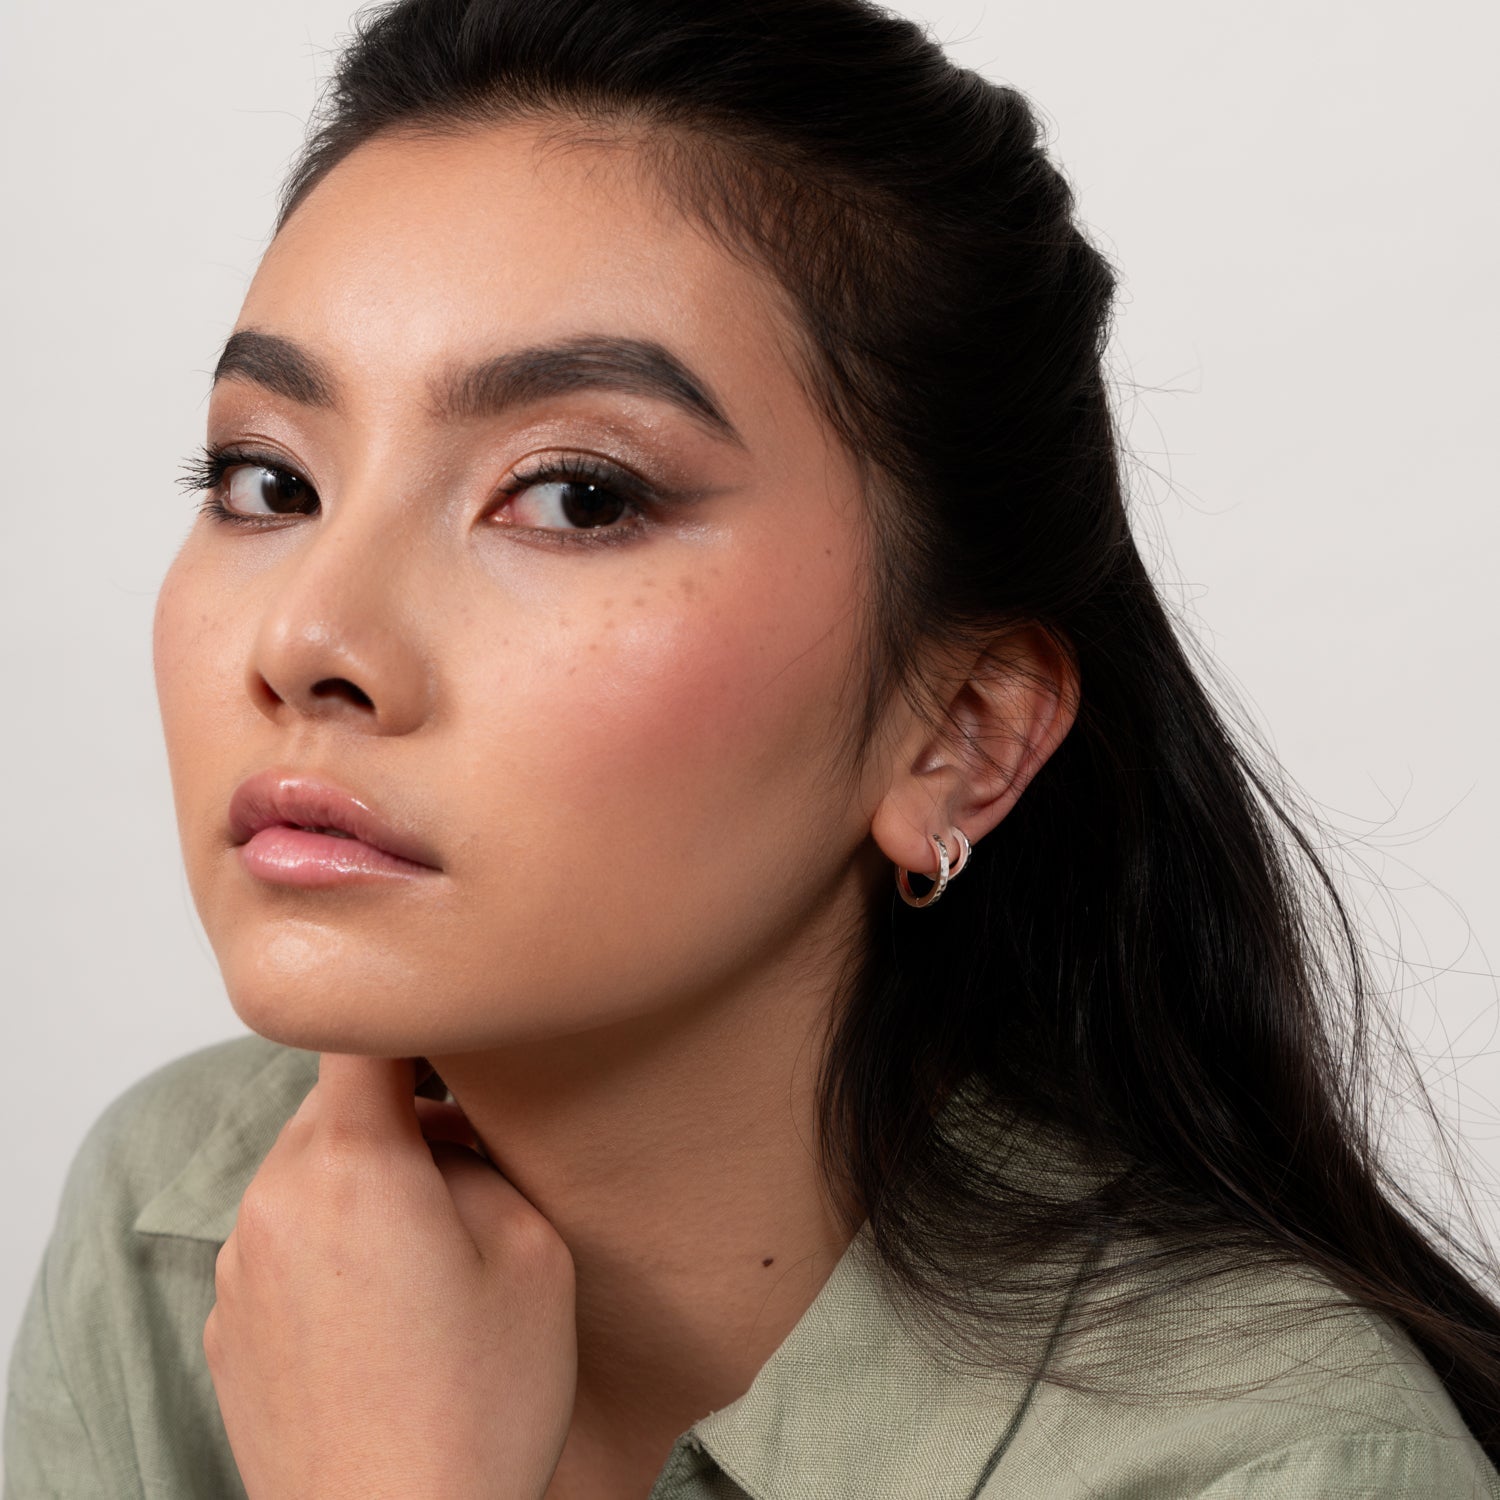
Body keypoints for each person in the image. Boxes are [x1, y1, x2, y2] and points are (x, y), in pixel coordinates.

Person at [5, 0, 1499, 1495]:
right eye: (266, 480)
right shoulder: (176, 1223)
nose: (306, 640)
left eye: (576, 496)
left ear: (960, 735)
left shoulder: (1279, 1463)